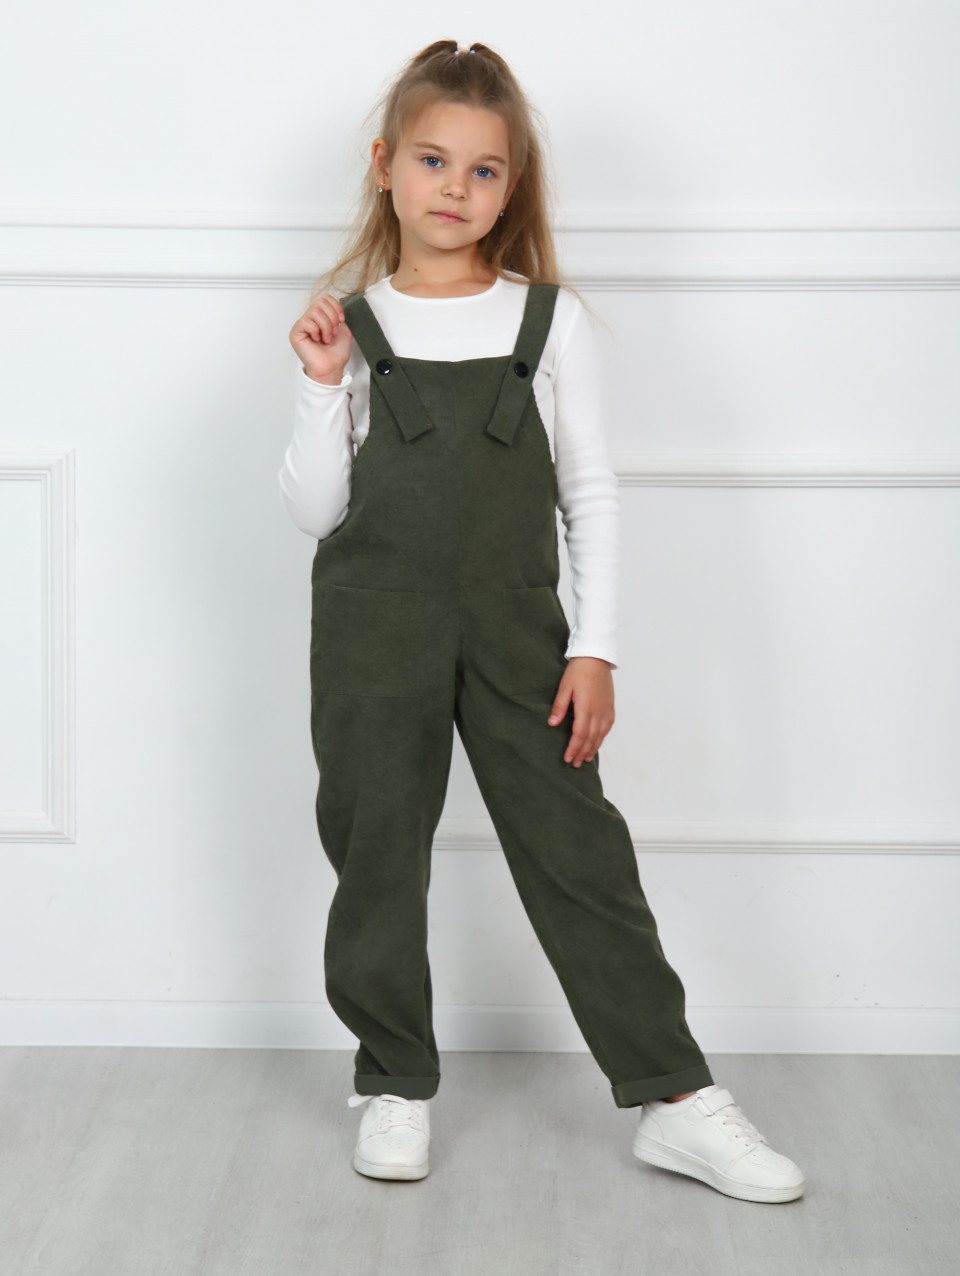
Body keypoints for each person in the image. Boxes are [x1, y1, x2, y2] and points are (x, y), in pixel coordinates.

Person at [279, 38, 805, 1204]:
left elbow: (590, 491)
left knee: (579, 854)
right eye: (433, 161)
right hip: (371, 628)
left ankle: (675, 1097)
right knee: (376, 851)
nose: (455, 189)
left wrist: (595, 645)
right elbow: (316, 512)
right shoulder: (350, 329)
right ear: (385, 165)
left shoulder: (547, 322)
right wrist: (318, 386)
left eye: (484, 170)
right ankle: (393, 1079)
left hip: (522, 630)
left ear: (512, 187)